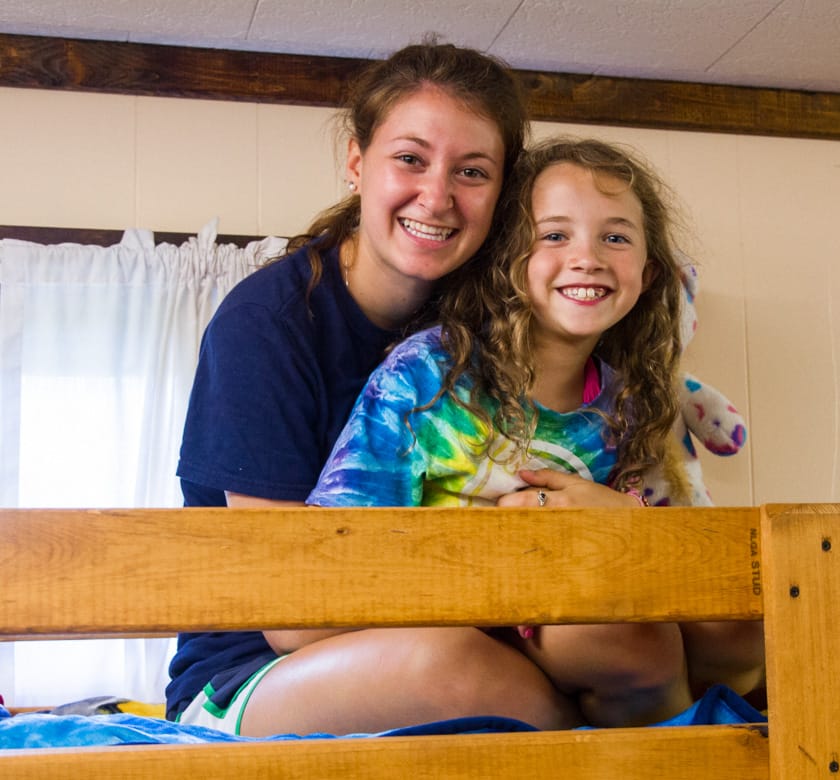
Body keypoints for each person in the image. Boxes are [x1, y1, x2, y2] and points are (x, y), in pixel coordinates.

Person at [167, 40, 597, 737]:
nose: (437, 195)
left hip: (482, 631)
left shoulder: (501, 326)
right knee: (453, 666)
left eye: (472, 171)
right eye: (410, 158)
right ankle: (617, 752)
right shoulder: (266, 325)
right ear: (357, 161)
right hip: (256, 675)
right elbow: (291, 617)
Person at [306, 138, 699, 727]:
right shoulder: (431, 375)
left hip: (561, 624)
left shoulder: (629, 405)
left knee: (689, 632)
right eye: (554, 235)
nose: (587, 257)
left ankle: (695, 746)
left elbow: (666, 560)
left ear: (646, 272)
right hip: (418, 630)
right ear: (507, 258)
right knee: (621, 643)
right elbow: (331, 565)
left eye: (615, 237)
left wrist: (625, 520)